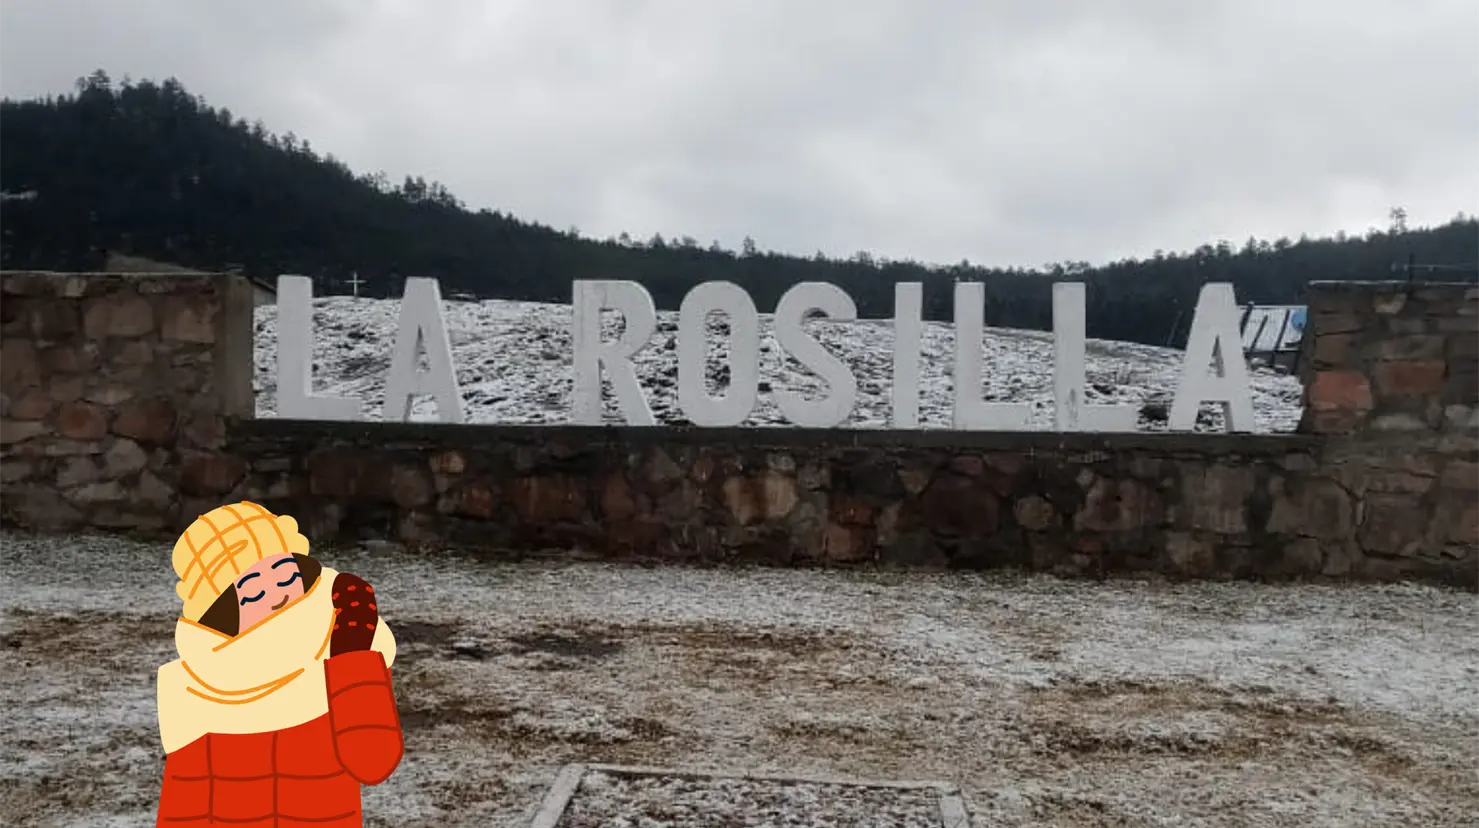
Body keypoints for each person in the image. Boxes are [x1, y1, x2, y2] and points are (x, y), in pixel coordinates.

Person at [154, 501, 402, 827]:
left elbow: (373, 761)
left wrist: (351, 653)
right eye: (253, 592)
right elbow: (186, 808)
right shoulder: (195, 689)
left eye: (285, 575)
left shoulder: (335, 651)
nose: (278, 595)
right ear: (224, 614)